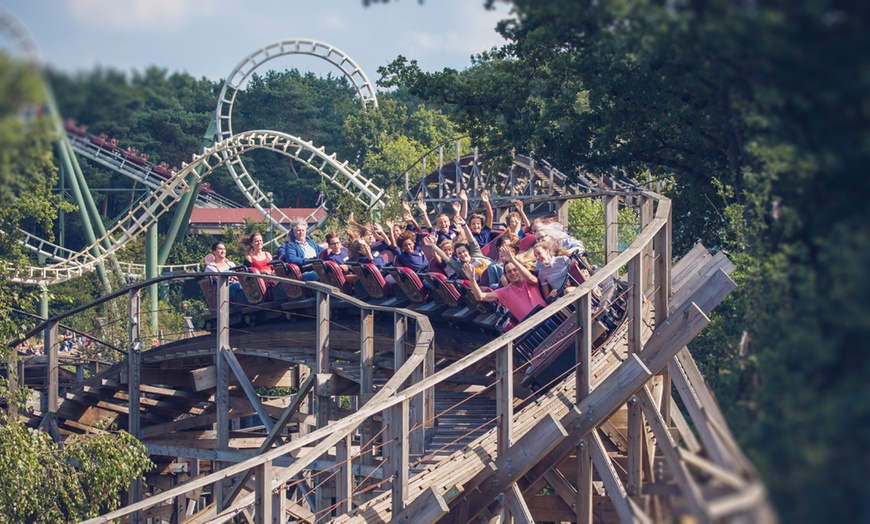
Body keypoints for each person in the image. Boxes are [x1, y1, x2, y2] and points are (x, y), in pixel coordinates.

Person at [464, 244, 547, 324]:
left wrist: (512, 260)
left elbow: (529, 278)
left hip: (546, 316)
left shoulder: (529, 281)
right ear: (506, 275)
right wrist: (472, 279)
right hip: (531, 328)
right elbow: (480, 297)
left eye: (515, 270)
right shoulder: (504, 292)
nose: (513, 273)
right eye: (509, 271)